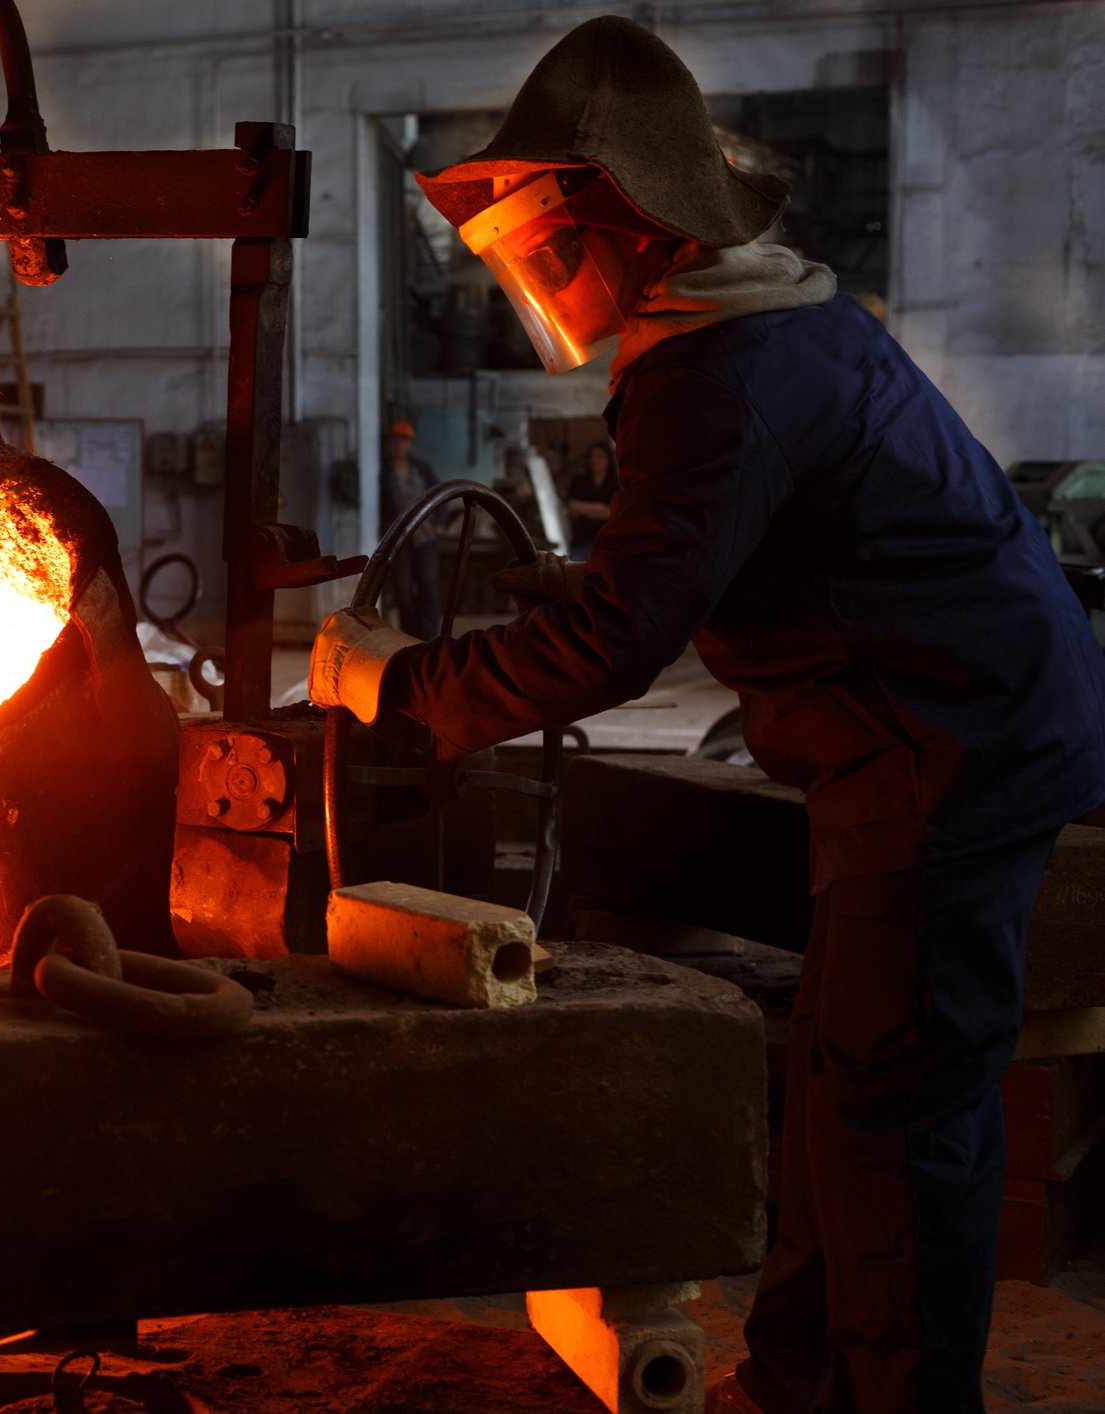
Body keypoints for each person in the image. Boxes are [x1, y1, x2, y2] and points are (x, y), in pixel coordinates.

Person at [309, 17, 1105, 1414]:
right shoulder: (758, 316)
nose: (534, 284)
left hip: (942, 754)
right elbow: (726, 555)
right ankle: (798, 1380)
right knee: (847, 1093)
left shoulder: (718, 370)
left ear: (630, 218)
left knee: (896, 1115)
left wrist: (396, 682)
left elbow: (620, 641)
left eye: (543, 251)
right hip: (950, 722)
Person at [377, 419, 443, 637]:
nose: (399, 445)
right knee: (403, 589)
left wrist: (439, 522)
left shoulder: (422, 469)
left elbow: (440, 494)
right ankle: (410, 634)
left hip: (426, 536)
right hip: (399, 538)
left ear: (409, 445)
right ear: (390, 443)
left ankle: (430, 633)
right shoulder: (383, 471)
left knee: (427, 583)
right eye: (395, 440)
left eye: (403, 441)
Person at [563, 439, 618, 557]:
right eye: (592, 456)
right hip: (582, 539)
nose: (595, 460)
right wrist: (599, 508)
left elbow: (614, 512)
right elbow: (572, 505)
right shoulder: (580, 479)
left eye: (600, 456)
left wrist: (585, 509)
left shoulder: (615, 482)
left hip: (608, 541)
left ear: (608, 459)